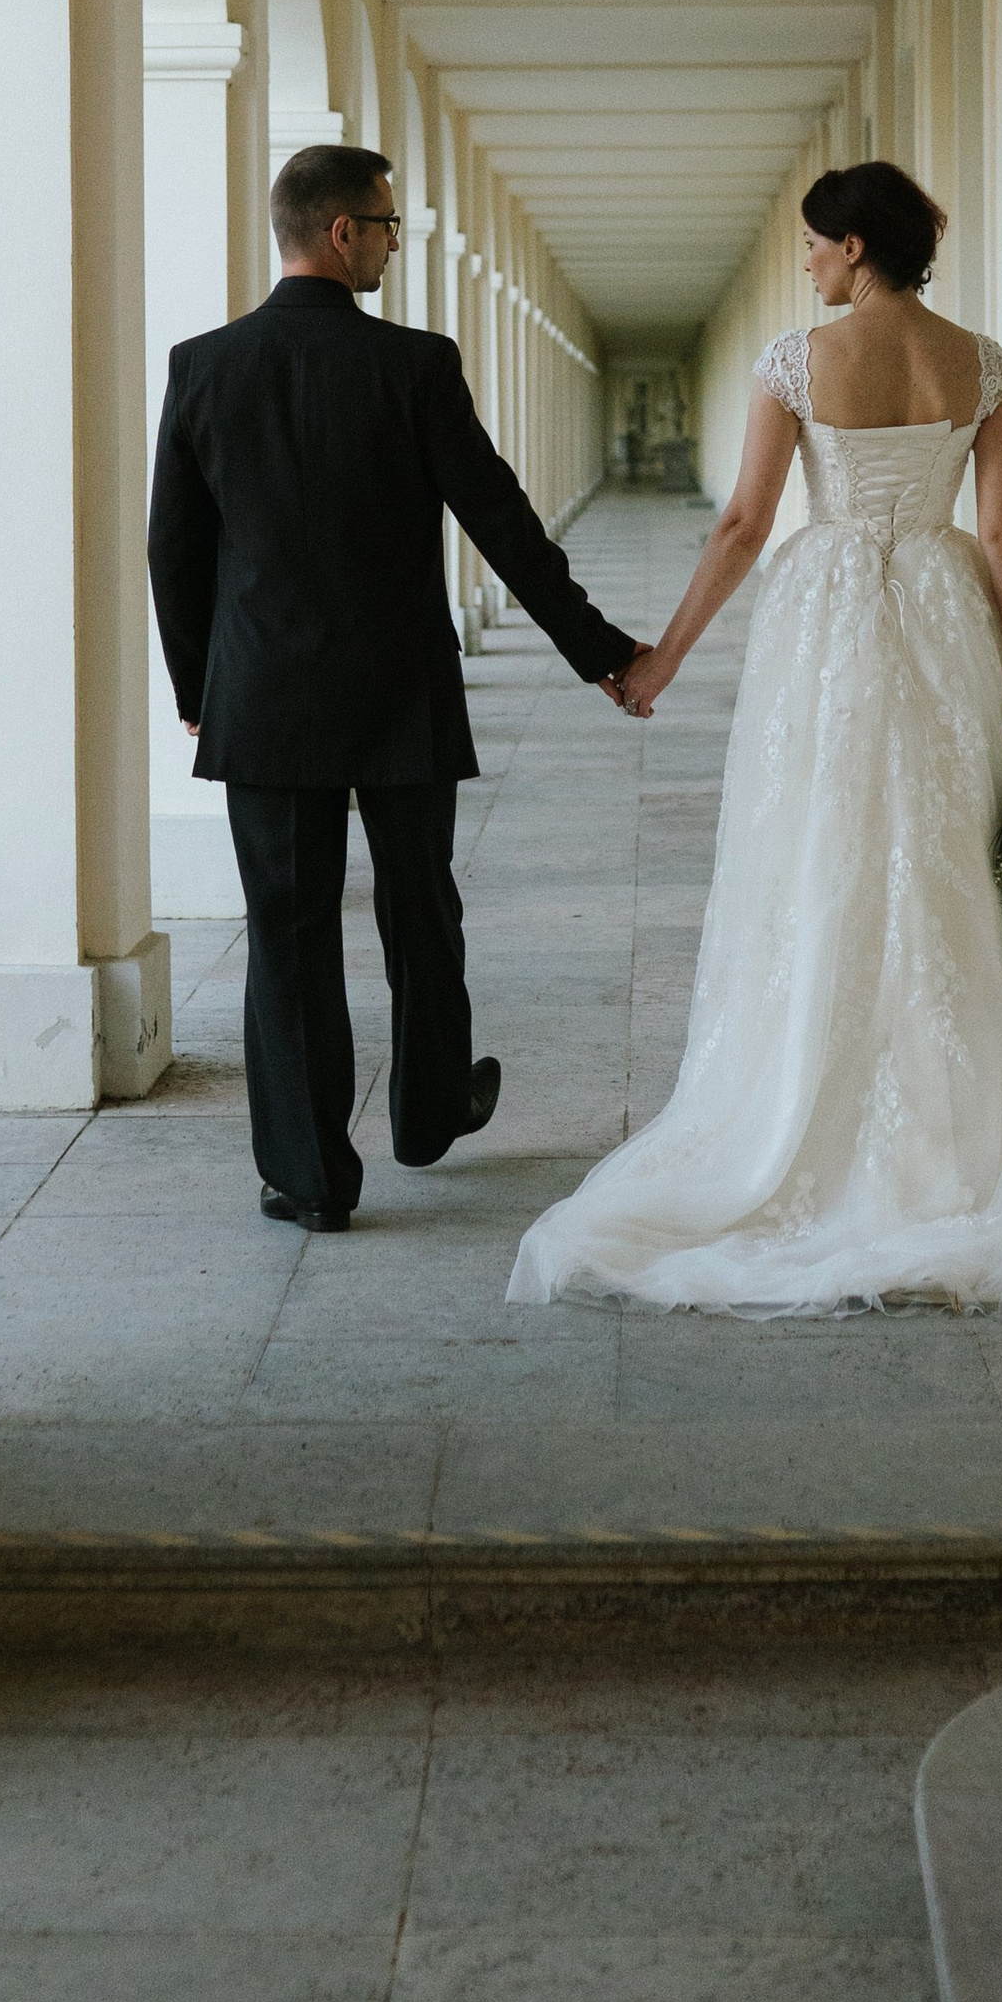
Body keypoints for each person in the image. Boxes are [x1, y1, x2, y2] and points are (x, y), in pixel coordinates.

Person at [508, 159, 1002, 1315]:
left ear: (855, 248)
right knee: (945, 854)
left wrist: (660, 658)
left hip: (827, 624)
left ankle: (810, 1107)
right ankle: (965, 1131)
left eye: (816, 244)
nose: (807, 262)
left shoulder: (795, 361)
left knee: (822, 844)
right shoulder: (986, 364)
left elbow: (741, 524)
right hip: (943, 611)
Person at [150, 144, 643, 1232]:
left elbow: (172, 550)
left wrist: (199, 687)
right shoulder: (414, 365)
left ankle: (311, 1176)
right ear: (339, 233)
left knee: (287, 930)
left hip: (265, 698)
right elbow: (501, 519)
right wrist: (600, 650)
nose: (389, 241)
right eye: (384, 224)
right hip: (399, 693)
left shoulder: (202, 365)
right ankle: (426, 1111)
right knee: (422, 909)